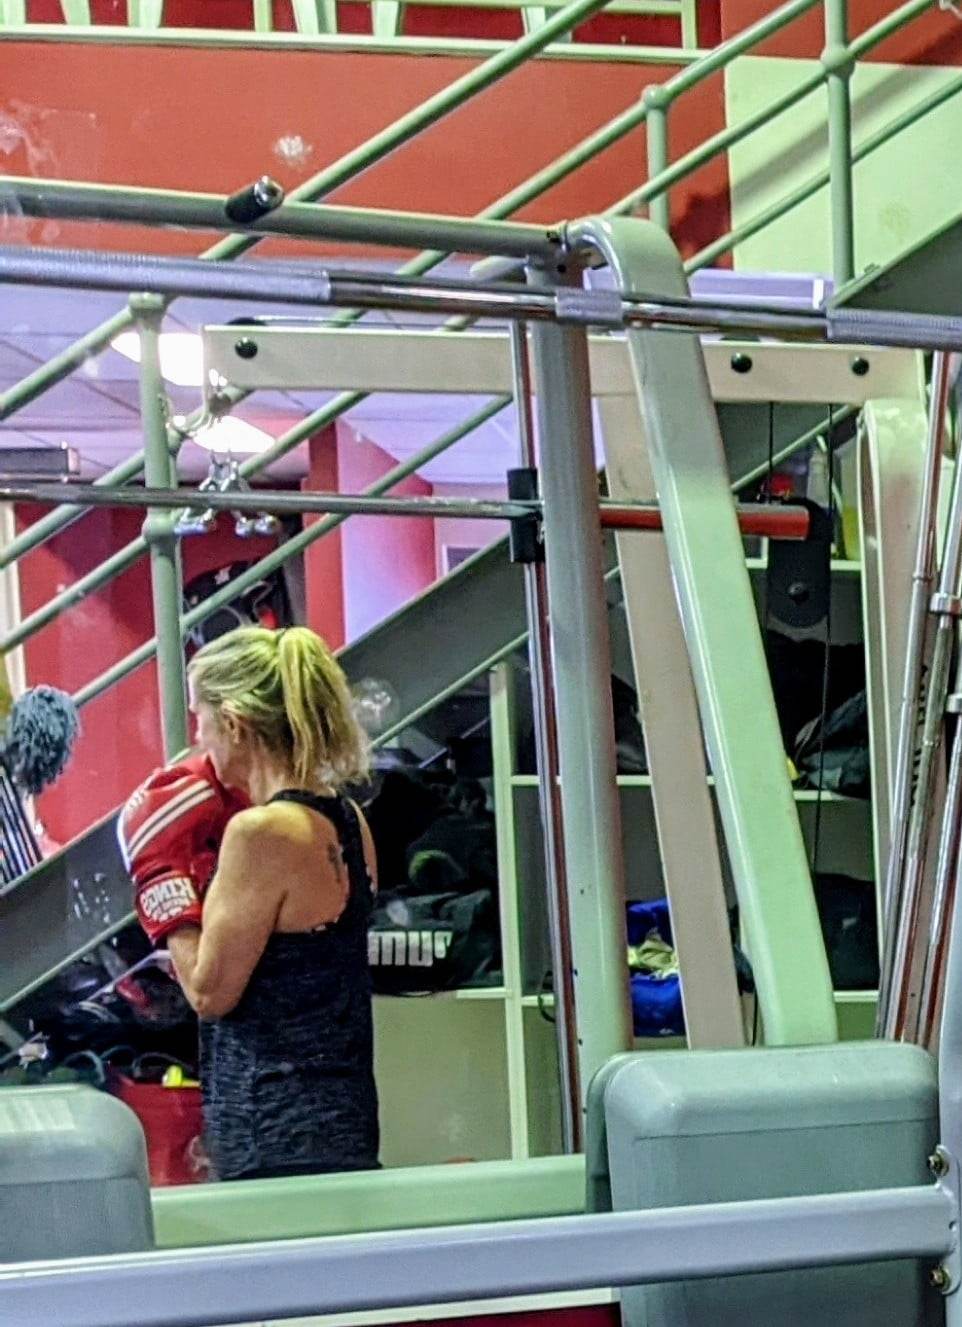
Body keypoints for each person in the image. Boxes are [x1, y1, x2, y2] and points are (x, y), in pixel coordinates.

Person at [119, 625, 379, 1181]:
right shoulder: (349, 823)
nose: (199, 739)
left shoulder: (260, 833)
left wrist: (161, 881)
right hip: (343, 1120)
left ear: (234, 723)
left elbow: (209, 991)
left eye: (200, 719)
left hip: (272, 1131)